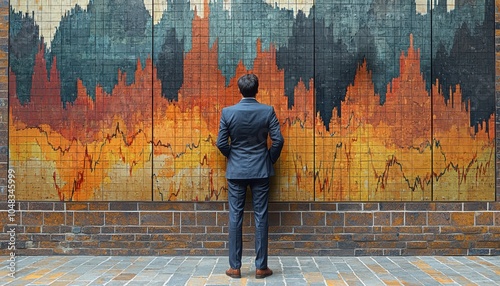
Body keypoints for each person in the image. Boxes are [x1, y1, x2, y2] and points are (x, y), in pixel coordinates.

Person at [216, 73, 284, 279]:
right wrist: (268, 159)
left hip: (236, 171)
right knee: (261, 216)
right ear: (257, 89)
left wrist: (234, 156)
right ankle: (261, 267)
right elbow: (278, 141)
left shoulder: (228, 113)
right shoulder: (267, 111)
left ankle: (235, 267)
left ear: (240, 90)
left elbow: (221, 143)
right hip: (260, 171)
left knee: (235, 217)